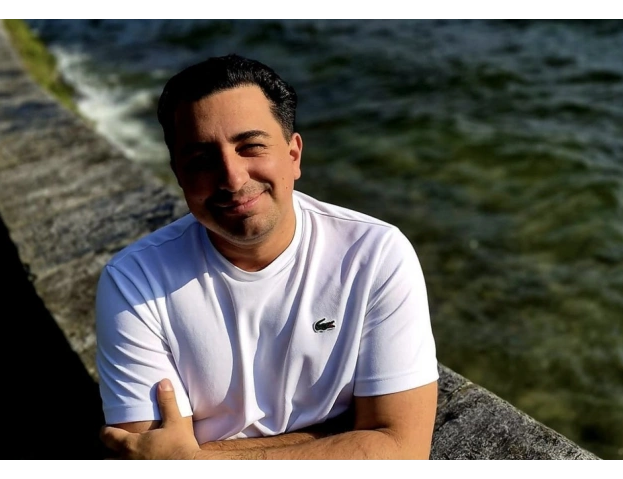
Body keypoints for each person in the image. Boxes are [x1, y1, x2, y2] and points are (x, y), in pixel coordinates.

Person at [95, 54, 439, 461]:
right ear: (178, 174)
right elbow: (151, 458)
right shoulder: (134, 282)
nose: (232, 177)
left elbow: (403, 449)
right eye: (202, 160)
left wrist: (197, 459)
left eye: (251, 147)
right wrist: (347, 434)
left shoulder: (374, 255)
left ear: (294, 155)